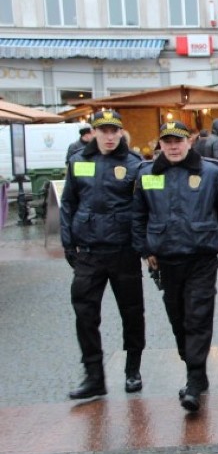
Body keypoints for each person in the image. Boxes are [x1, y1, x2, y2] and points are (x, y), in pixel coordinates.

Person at [132, 121, 218, 412]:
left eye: (178, 140)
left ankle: (194, 380)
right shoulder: (147, 174)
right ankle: (195, 366)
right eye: (166, 141)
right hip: (167, 260)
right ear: (159, 143)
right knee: (178, 320)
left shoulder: (210, 172)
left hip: (201, 258)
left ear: (190, 141)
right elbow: (138, 216)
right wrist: (145, 251)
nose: (172, 146)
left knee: (197, 316)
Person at [61, 110, 145, 399]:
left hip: (124, 251)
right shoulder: (78, 162)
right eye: (103, 131)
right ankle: (94, 375)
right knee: (85, 314)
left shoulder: (134, 164)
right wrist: (68, 243)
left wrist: (144, 246)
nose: (109, 136)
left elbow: (143, 209)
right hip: (89, 251)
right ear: (93, 132)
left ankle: (133, 369)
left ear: (121, 132)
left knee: (132, 313)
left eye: (114, 131)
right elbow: (68, 204)